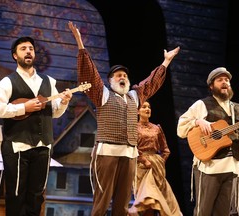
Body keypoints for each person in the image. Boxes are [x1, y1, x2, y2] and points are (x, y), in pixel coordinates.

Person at [68, 21, 180, 216]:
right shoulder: (102, 93)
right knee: (102, 202)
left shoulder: (134, 96)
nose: (123, 78)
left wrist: (166, 62)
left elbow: (151, 83)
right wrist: (80, 44)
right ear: (111, 81)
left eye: (125, 76)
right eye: (118, 75)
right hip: (107, 152)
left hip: (129, 155)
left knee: (122, 204)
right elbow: (90, 74)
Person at [0, 36, 72, 216]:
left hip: (43, 146)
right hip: (18, 146)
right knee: (16, 196)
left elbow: (54, 112)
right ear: (15, 56)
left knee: (36, 196)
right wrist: (23, 107)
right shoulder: (8, 82)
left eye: (31, 48)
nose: (28, 51)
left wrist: (63, 102)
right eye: (23, 48)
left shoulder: (49, 81)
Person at [176, 67, 239, 216]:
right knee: (203, 211)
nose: (224, 83)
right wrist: (197, 121)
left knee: (223, 213)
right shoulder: (201, 105)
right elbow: (181, 128)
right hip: (209, 167)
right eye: (220, 80)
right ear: (211, 86)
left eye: (227, 80)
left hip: (232, 168)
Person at [128, 101, 182, 216]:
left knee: (158, 199)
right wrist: (144, 160)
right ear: (137, 111)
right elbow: (132, 147)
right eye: (144, 107)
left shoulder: (156, 128)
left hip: (156, 165)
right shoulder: (133, 128)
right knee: (147, 199)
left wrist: (161, 161)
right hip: (141, 166)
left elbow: (166, 149)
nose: (147, 109)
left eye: (149, 107)